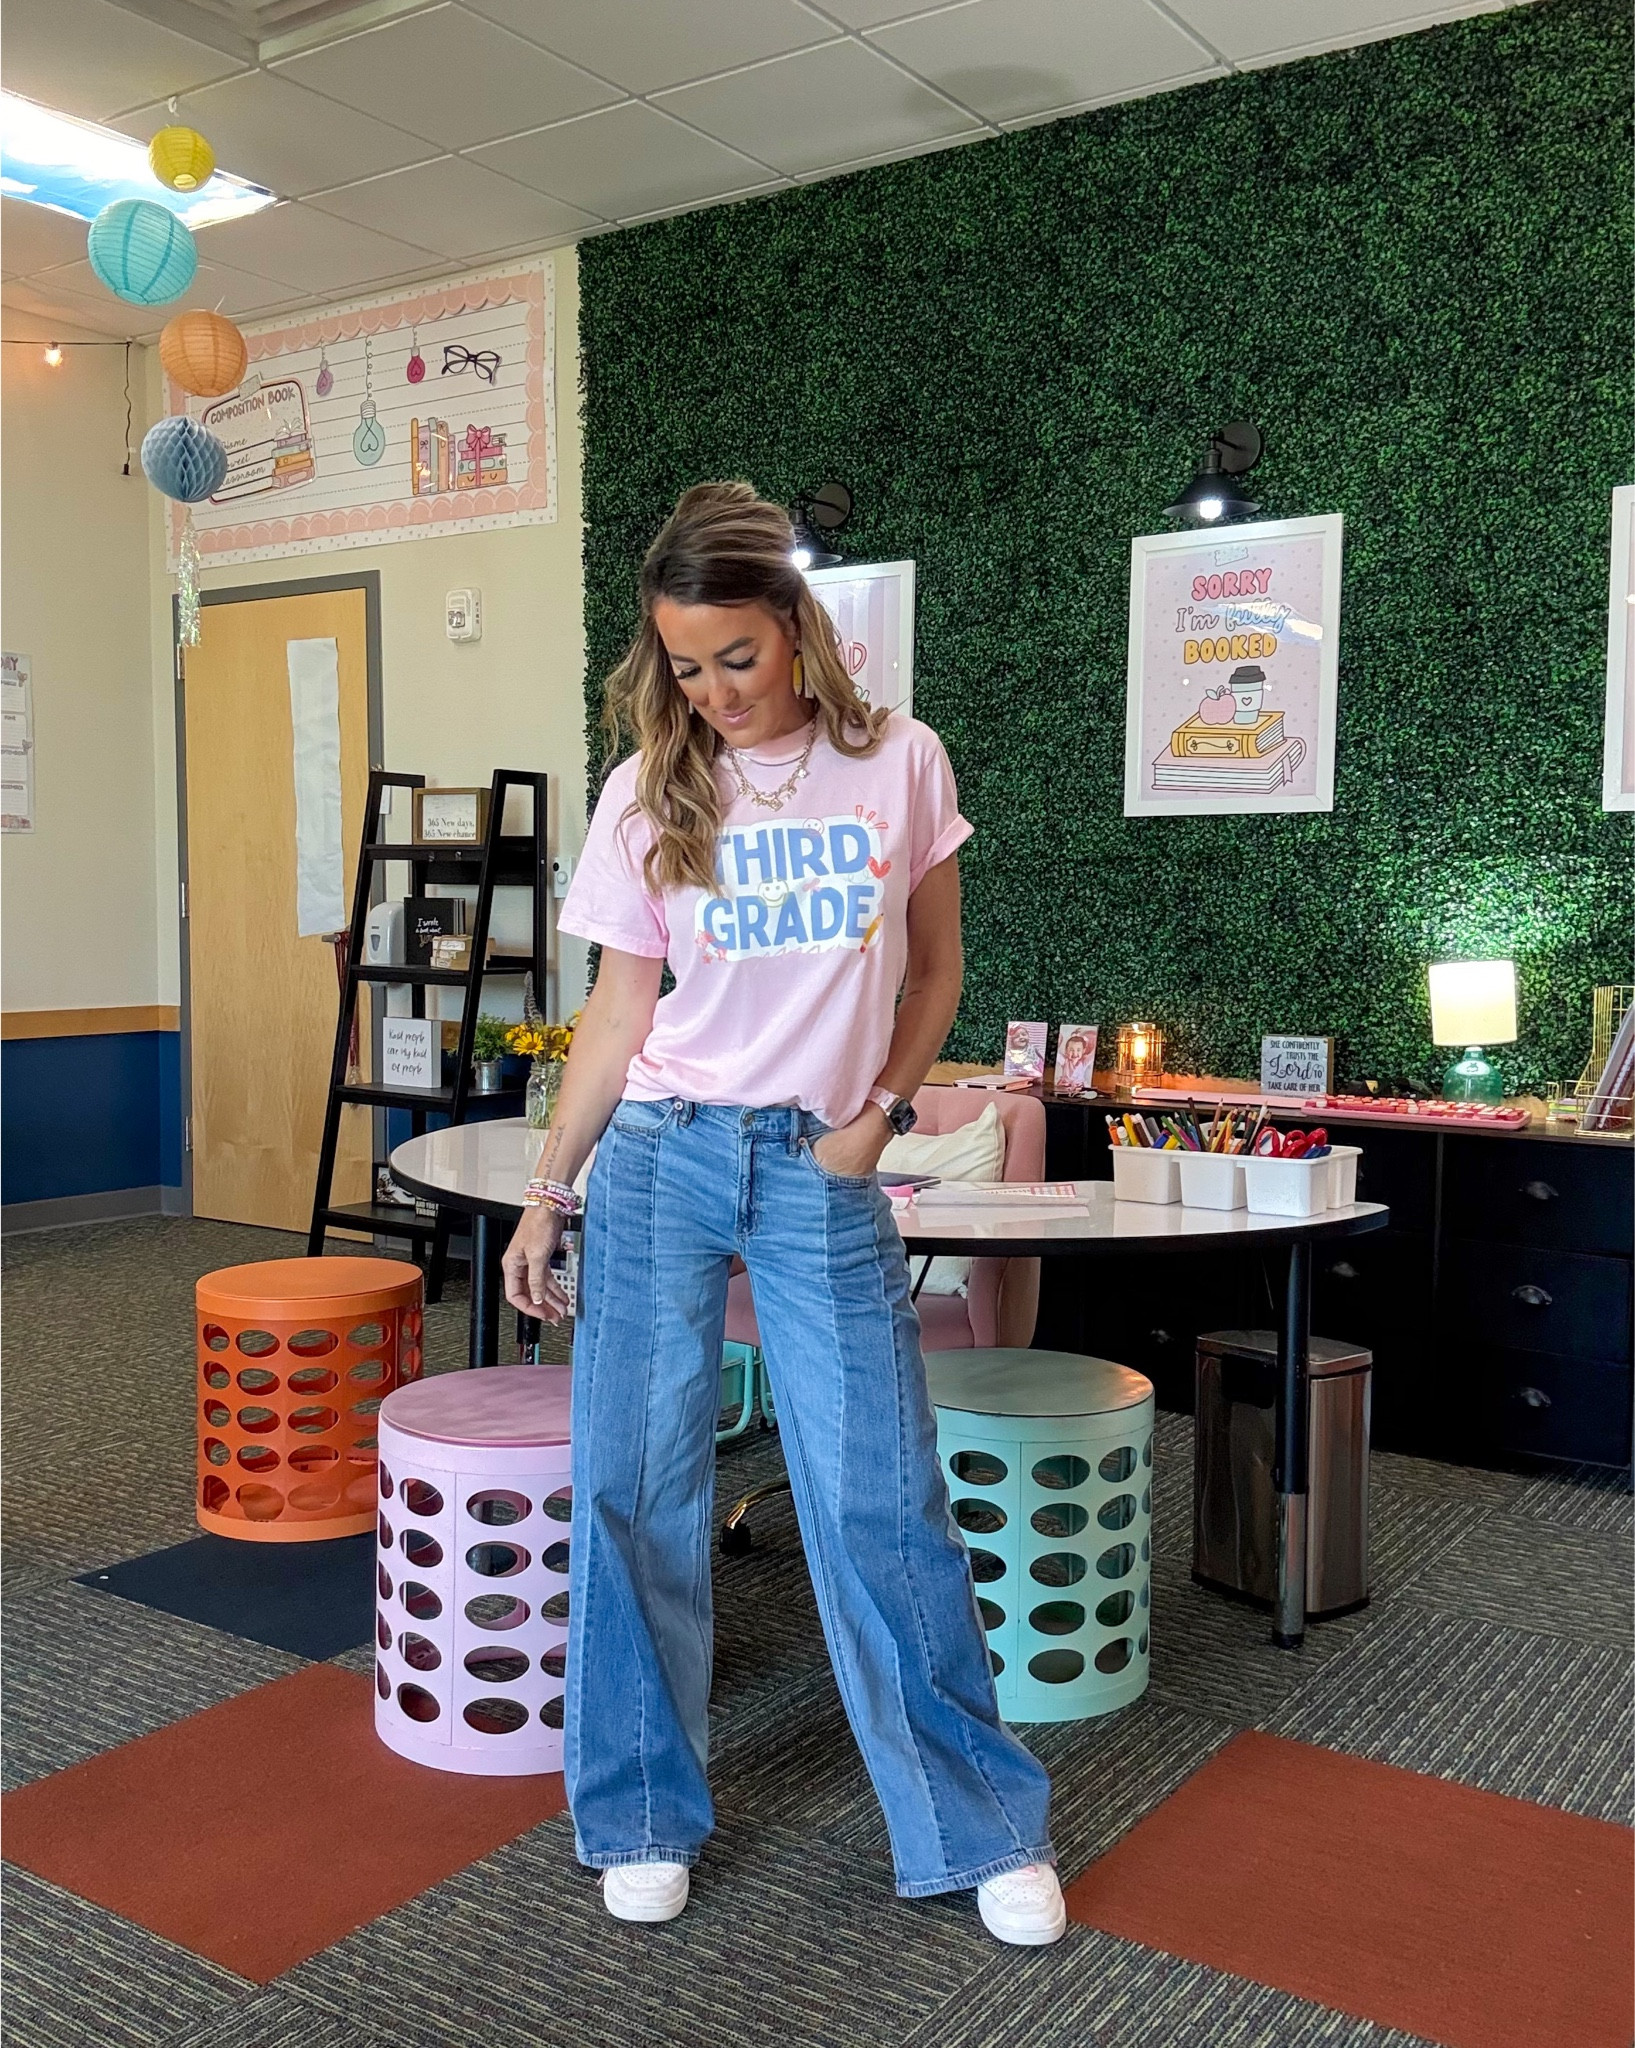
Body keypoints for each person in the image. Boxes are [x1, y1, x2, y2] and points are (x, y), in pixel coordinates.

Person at [502, 482, 1062, 1945]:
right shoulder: (647, 793)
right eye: (684, 667)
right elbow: (619, 1017)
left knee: (879, 1498)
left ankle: (974, 1823)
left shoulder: (899, 766)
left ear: (797, 632)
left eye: (735, 658)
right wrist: (547, 1194)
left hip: (818, 1165)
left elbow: (933, 970)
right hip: (659, 1161)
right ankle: (634, 1809)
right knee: (632, 1490)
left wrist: (877, 1116)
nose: (712, 693)